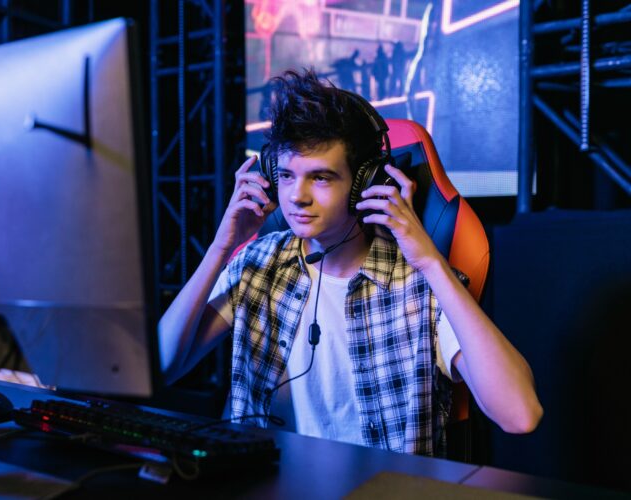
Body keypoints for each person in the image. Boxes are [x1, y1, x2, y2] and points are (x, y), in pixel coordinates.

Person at [158, 69, 542, 456]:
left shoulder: (417, 288)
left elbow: (520, 415)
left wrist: (429, 262)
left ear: (366, 185)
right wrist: (222, 248)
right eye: (287, 175)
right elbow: (161, 367)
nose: (296, 197)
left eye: (321, 178)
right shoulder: (259, 266)